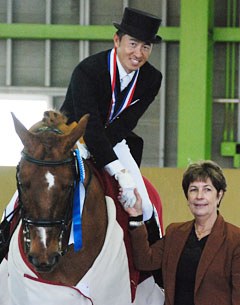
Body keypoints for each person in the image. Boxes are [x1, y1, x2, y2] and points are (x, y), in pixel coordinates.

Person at [60, 7, 163, 236]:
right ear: (117, 40)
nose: (139, 53)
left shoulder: (152, 78)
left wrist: (111, 162)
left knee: (145, 205)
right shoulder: (88, 70)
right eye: (133, 43)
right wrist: (117, 170)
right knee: (36, 186)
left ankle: (153, 267)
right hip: (74, 135)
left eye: (146, 46)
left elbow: (127, 122)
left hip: (113, 138)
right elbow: (90, 123)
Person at [123, 160, 240, 305]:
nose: (199, 196)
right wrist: (136, 218)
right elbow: (144, 262)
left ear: (219, 196)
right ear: (187, 197)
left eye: (207, 189)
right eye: (193, 189)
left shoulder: (235, 240)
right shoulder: (175, 233)